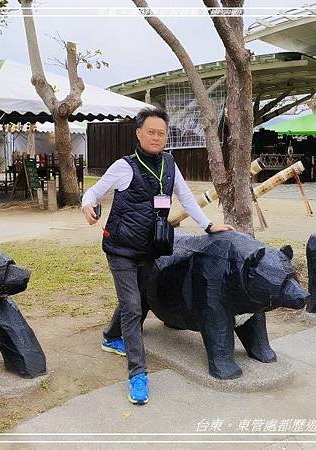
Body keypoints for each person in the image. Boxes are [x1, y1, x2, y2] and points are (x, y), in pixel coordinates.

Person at [82, 107, 234, 405]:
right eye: (150, 132)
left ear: (167, 136)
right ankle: (138, 374)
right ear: (138, 133)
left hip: (151, 247)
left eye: (161, 133)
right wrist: (87, 206)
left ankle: (112, 337)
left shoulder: (169, 163)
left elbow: (186, 197)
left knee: (139, 297)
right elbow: (93, 193)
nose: (156, 137)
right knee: (132, 308)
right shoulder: (123, 166)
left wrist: (208, 225)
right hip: (121, 249)